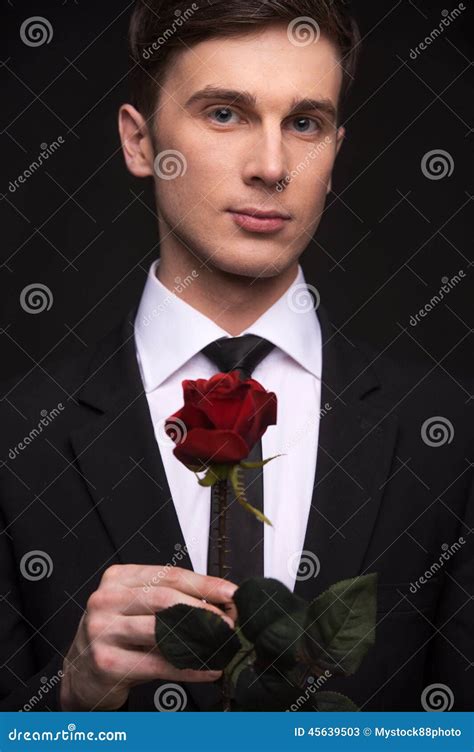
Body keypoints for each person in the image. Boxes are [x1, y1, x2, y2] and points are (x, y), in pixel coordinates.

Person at [0, 0, 472, 713]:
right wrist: (71, 700)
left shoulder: (449, 430)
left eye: (304, 124)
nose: (273, 166)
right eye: (225, 114)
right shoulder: (17, 436)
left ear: (335, 152)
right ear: (139, 142)